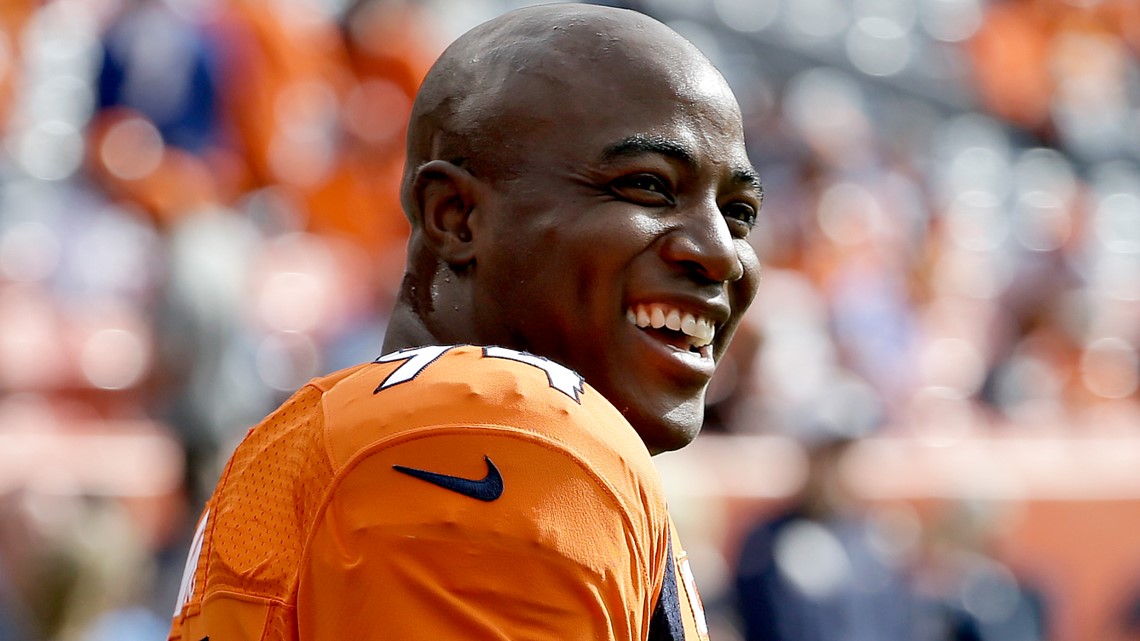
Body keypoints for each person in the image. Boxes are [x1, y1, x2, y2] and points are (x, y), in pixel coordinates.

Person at [167, 3, 763, 640]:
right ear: (456, 216)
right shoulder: (502, 426)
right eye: (648, 185)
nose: (721, 253)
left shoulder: (355, 430)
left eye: (739, 213)